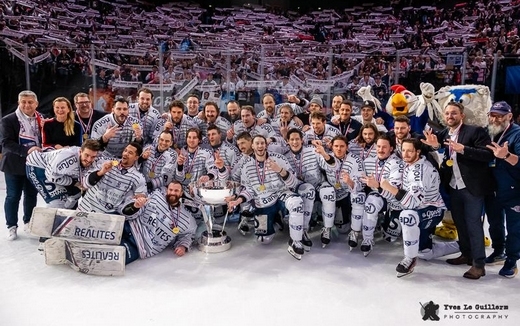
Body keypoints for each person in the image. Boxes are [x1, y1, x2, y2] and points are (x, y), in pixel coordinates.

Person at [421, 101, 494, 279]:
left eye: (454, 113)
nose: (450, 116)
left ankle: (478, 264)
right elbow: (429, 144)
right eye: (447, 114)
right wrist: (436, 146)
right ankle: (466, 254)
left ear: (462, 115)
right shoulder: (445, 133)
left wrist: (464, 150)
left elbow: (488, 155)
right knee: (460, 223)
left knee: (473, 225)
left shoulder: (475, 131)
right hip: (454, 186)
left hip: (472, 187)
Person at [227, 135, 305, 260]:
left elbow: (293, 183)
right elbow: (249, 190)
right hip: (262, 202)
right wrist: (238, 200)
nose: (260, 146)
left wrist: (280, 170)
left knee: (297, 202)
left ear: (266, 145)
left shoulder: (279, 159)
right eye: (257, 143)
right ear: (252, 146)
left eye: (262, 143)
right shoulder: (246, 166)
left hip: (280, 194)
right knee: (264, 240)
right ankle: (275, 217)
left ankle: (296, 241)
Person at [379, 139, 446, 277]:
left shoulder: (420, 171)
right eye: (403, 150)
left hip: (432, 209)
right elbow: (397, 195)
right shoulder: (408, 165)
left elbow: (412, 203)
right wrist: (378, 187)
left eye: (410, 151)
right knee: (426, 253)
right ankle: (462, 245)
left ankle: (409, 259)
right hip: (420, 209)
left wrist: (389, 188)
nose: (406, 154)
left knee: (407, 216)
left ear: (418, 152)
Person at [0, 90, 43, 240]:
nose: (27, 105)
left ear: (36, 104)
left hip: (34, 165)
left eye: (30, 102)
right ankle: (11, 226)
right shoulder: (8, 120)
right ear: (19, 103)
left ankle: (28, 222)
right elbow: (6, 143)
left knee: (31, 195)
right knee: (13, 196)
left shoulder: (41, 119)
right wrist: (27, 150)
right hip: (13, 165)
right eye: (23, 102)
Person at [120, 181, 197, 264]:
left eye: (176, 191)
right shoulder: (157, 196)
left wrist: (183, 246)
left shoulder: (187, 219)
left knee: (111, 258)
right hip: (129, 227)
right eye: (170, 190)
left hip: (140, 246)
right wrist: (136, 206)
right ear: (167, 190)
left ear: (181, 193)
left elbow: (188, 235)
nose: (172, 193)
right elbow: (136, 209)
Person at [485, 101, 520, 278]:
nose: (495, 119)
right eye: (493, 115)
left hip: (514, 191)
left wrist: (505, 155)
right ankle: (499, 251)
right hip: (493, 189)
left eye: (500, 115)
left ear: (509, 116)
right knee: (494, 223)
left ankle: (512, 261)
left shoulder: (518, 134)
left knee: (515, 228)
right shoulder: (488, 132)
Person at [284, 128, 335, 249]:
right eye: (292, 139)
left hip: (318, 184)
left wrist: (324, 153)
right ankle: (302, 230)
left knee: (329, 192)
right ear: (287, 141)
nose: (295, 142)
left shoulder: (313, 150)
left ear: (302, 140)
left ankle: (327, 229)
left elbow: (329, 165)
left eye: (297, 139)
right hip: (300, 188)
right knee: (308, 192)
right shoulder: (285, 156)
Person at [358, 134, 405, 256]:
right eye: (378, 146)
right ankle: (367, 238)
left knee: (390, 238)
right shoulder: (369, 161)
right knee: (371, 201)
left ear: (391, 148)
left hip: (396, 204)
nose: (380, 150)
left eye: (384, 147)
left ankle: (386, 218)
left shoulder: (397, 164)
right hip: (378, 197)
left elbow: (395, 196)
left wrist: (378, 186)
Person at [315, 135, 364, 242]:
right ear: (331, 147)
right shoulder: (326, 157)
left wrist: (350, 182)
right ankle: (326, 228)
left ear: (347, 147)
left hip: (346, 194)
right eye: (336, 146)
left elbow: (362, 185)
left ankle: (355, 230)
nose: (339, 149)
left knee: (343, 228)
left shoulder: (356, 160)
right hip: (332, 192)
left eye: (342, 146)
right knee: (327, 191)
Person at [26, 139, 101, 209]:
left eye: (93, 157)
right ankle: (46, 221)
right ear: (80, 151)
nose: (89, 160)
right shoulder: (69, 160)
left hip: (55, 170)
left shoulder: (96, 159)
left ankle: (65, 219)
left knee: (75, 194)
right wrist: (73, 182)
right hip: (37, 166)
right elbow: (51, 176)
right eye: (87, 155)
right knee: (59, 201)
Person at [78, 142, 146, 214]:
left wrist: (135, 206)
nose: (125, 153)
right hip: (85, 208)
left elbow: (133, 207)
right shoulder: (105, 162)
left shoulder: (139, 178)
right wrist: (101, 172)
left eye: (130, 153)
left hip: (106, 218)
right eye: (125, 150)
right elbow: (84, 183)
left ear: (136, 157)